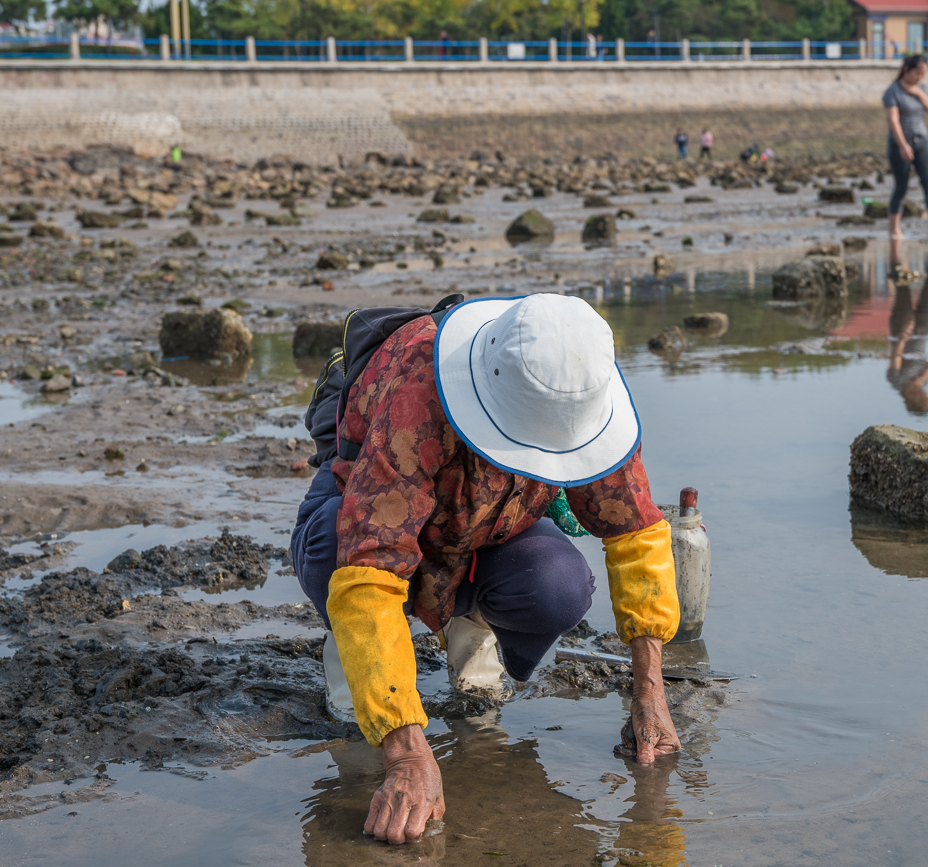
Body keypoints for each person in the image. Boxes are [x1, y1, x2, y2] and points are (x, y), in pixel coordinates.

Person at [290, 293, 680, 845]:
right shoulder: (417, 391)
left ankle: (473, 627)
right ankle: (355, 662)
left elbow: (634, 531)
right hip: (364, 526)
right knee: (336, 554)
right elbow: (371, 568)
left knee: (560, 585)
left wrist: (649, 690)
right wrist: (404, 756)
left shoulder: (582, 385)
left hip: (489, 529)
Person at [883, 54, 928, 242]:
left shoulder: (921, 88)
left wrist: (918, 92)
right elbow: (893, 121)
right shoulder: (892, 92)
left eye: (923, 74)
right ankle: (894, 229)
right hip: (900, 145)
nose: (920, 77)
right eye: (918, 73)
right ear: (907, 69)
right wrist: (903, 145)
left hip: (922, 142)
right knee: (901, 187)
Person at [886, 239, 928, 414]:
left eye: (924, 398)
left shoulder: (896, 382)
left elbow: (896, 354)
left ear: (912, 400)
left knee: (901, 284)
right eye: (927, 396)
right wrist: (919, 381)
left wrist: (904, 334)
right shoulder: (923, 382)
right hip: (923, 330)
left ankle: (894, 245)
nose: (925, 393)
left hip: (902, 331)